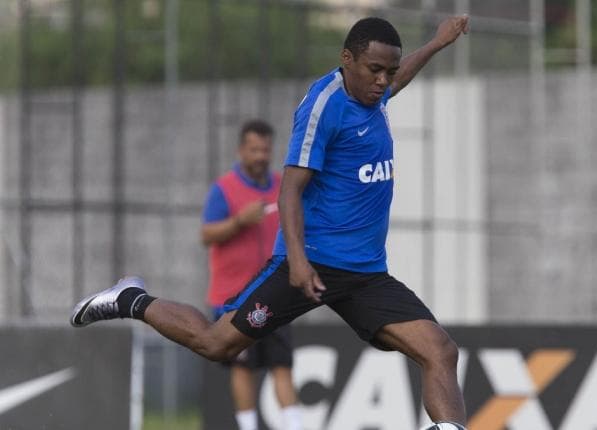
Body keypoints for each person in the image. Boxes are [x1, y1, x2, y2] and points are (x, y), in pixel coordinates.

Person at [71, 15, 470, 429]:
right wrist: (297, 261)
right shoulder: (323, 107)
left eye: (389, 72)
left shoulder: (375, 93)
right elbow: (289, 191)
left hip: (366, 273)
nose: (384, 81)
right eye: (374, 70)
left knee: (440, 351)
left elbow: (398, 77)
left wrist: (438, 42)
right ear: (346, 59)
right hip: (310, 263)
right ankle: (131, 299)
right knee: (216, 344)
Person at [201, 119, 301, 430]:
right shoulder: (224, 189)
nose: (260, 156)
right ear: (241, 150)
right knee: (241, 367)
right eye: (254, 149)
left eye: (265, 150)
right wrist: (239, 222)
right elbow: (206, 234)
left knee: (281, 365)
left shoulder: (280, 187)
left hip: (275, 291)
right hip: (235, 296)